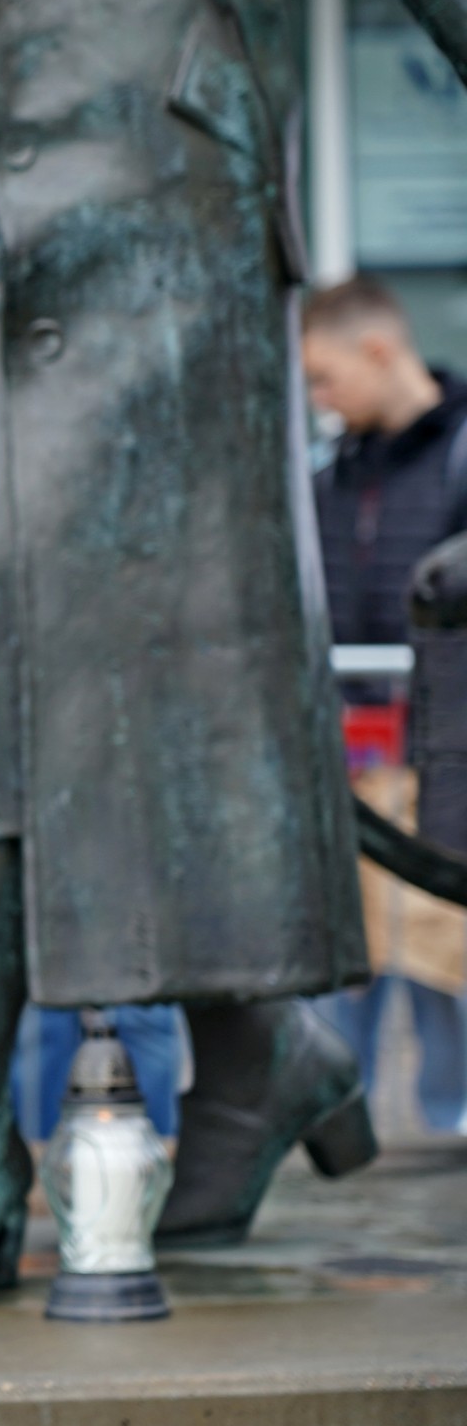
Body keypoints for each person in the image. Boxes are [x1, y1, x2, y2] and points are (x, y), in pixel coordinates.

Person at [305, 277, 467, 1135]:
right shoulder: (331, 474)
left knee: (447, 969)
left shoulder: (459, 456)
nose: (319, 402)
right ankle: (344, 1134)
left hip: (437, 762)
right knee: (349, 970)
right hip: (350, 761)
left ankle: (454, 1136)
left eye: (326, 379)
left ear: (378, 351)